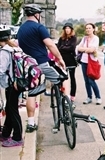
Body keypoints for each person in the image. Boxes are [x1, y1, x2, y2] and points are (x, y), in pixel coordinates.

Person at [17, 4, 66, 133]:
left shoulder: (21, 29)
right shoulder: (39, 27)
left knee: (31, 93)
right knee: (63, 76)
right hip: (42, 62)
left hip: (28, 66)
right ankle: (66, 103)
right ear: (37, 15)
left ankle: (31, 123)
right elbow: (50, 44)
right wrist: (60, 59)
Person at [0, 25, 23, 147]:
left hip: (11, 84)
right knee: (10, 109)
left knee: (13, 111)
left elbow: (1, 70)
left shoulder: (5, 51)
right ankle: (5, 134)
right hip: (18, 83)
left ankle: (18, 138)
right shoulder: (15, 48)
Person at [77, 23, 102, 105]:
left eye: (90, 28)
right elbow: (78, 48)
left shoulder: (96, 38)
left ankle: (98, 97)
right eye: (86, 28)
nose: (88, 29)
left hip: (92, 62)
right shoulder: (84, 39)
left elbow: (92, 50)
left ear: (93, 29)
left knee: (91, 80)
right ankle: (89, 97)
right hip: (84, 61)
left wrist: (84, 49)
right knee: (86, 81)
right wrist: (86, 49)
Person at [57, 22, 78, 103]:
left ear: (71, 29)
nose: (67, 30)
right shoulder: (61, 38)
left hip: (71, 60)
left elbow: (72, 48)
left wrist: (63, 48)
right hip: (63, 60)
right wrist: (64, 48)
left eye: (69, 28)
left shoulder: (73, 38)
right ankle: (63, 92)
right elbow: (58, 48)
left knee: (72, 78)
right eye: (66, 28)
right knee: (63, 78)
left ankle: (73, 95)